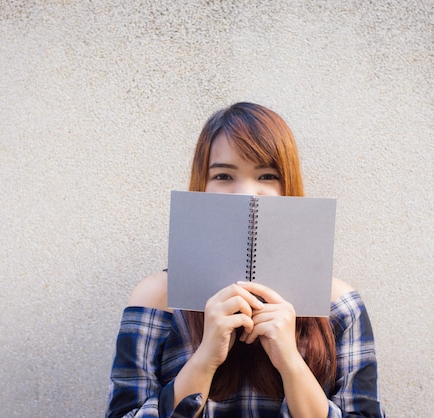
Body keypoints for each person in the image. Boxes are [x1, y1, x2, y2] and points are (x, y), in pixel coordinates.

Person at [106, 102, 384, 417]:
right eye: (224, 175)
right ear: (202, 186)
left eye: (267, 175)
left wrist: (290, 363)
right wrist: (205, 359)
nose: (246, 194)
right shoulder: (158, 298)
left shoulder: (339, 305)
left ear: (288, 186)